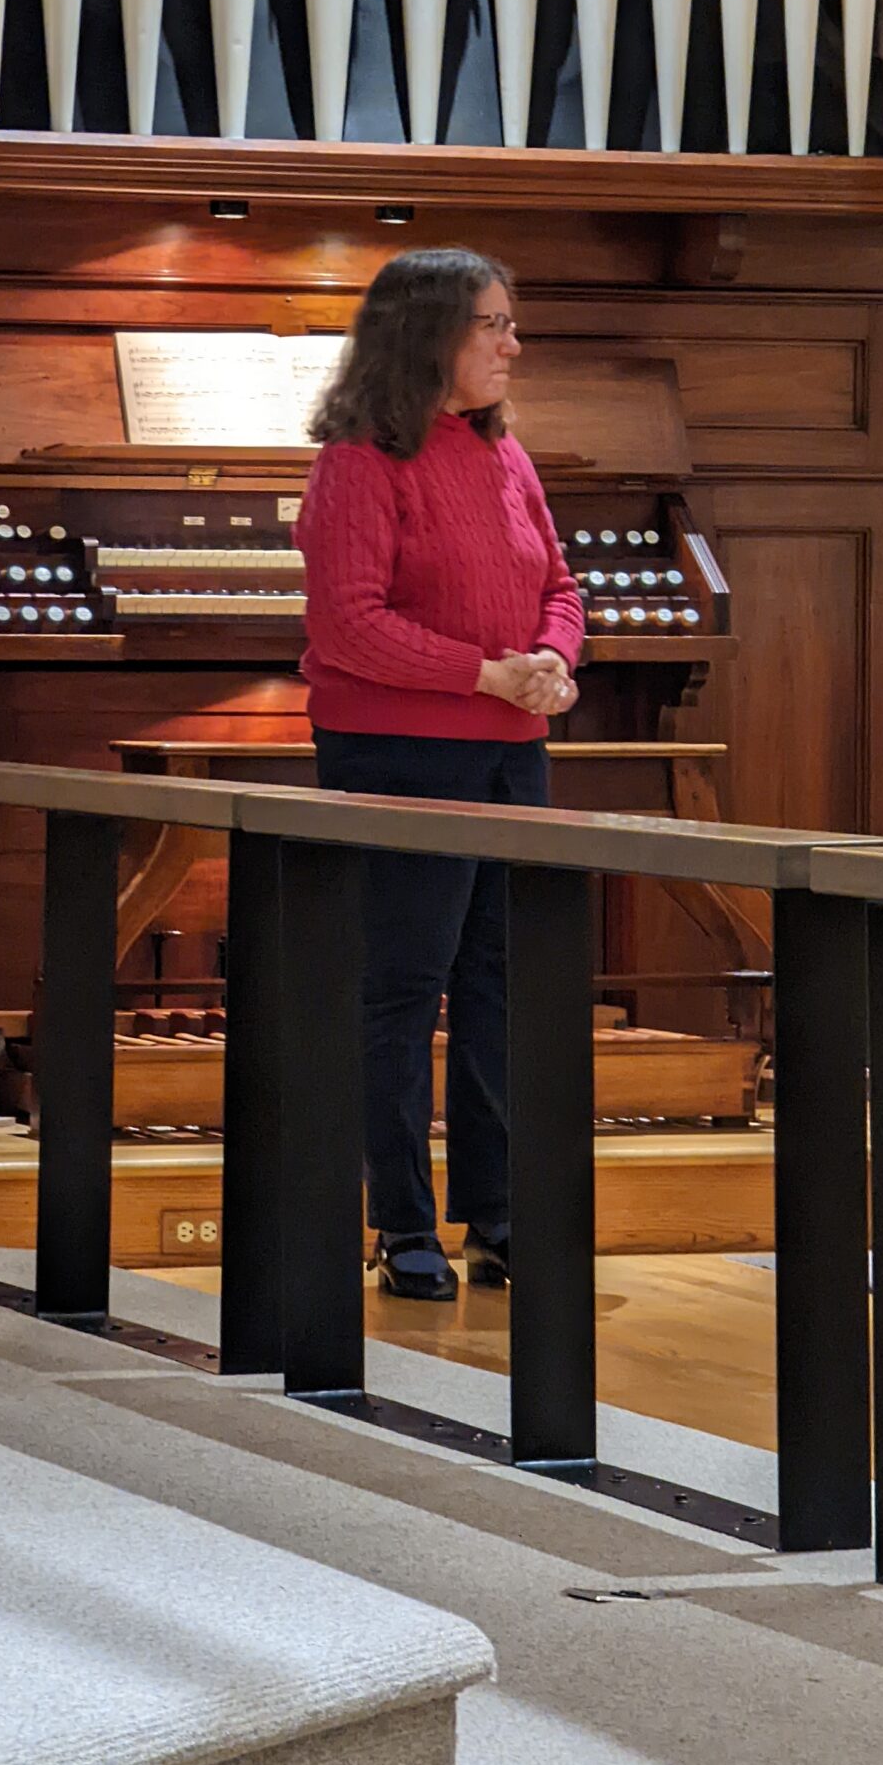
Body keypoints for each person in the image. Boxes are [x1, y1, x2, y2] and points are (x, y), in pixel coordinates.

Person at [296, 247, 584, 1301]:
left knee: (497, 986)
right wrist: (482, 673)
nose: (512, 343)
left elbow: (557, 579)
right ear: (427, 337)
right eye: (490, 325)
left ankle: (499, 1216)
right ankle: (401, 1224)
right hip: (399, 751)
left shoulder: (503, 453)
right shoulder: (358, 464)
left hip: (509, 749)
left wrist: (553, 655)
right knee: (403, 989)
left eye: (510, 322)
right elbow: (349, 625)